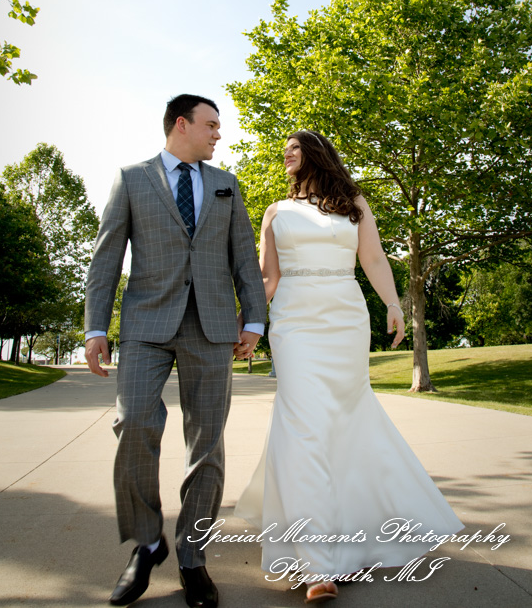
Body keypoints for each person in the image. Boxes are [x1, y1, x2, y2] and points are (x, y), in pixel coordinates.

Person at [235, 130, 463, 603]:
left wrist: (393, 303)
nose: (286, 154)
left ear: (316, 154)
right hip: (295, 322)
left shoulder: (352, 203)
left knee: (343, 424)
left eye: (294, 148)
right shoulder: (275, 212)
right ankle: (317, 564)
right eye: (284, 150)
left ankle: (353, 533)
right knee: (302, 427)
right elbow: (268, 276)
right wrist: (249, 323)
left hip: (345, 318)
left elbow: (373, 258)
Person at [84, 94, 267, 608]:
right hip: (146, 324)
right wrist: (95, 326)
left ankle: (192, 556)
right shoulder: (132, 179)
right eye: (211, 125)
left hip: (212, 325)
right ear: (181, 125)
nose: (218, 134)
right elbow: (106, 256)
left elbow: (243, 256)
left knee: (206, 443)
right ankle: (147, 543)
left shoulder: (227, 183)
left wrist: (254, 319)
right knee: (133, 423)